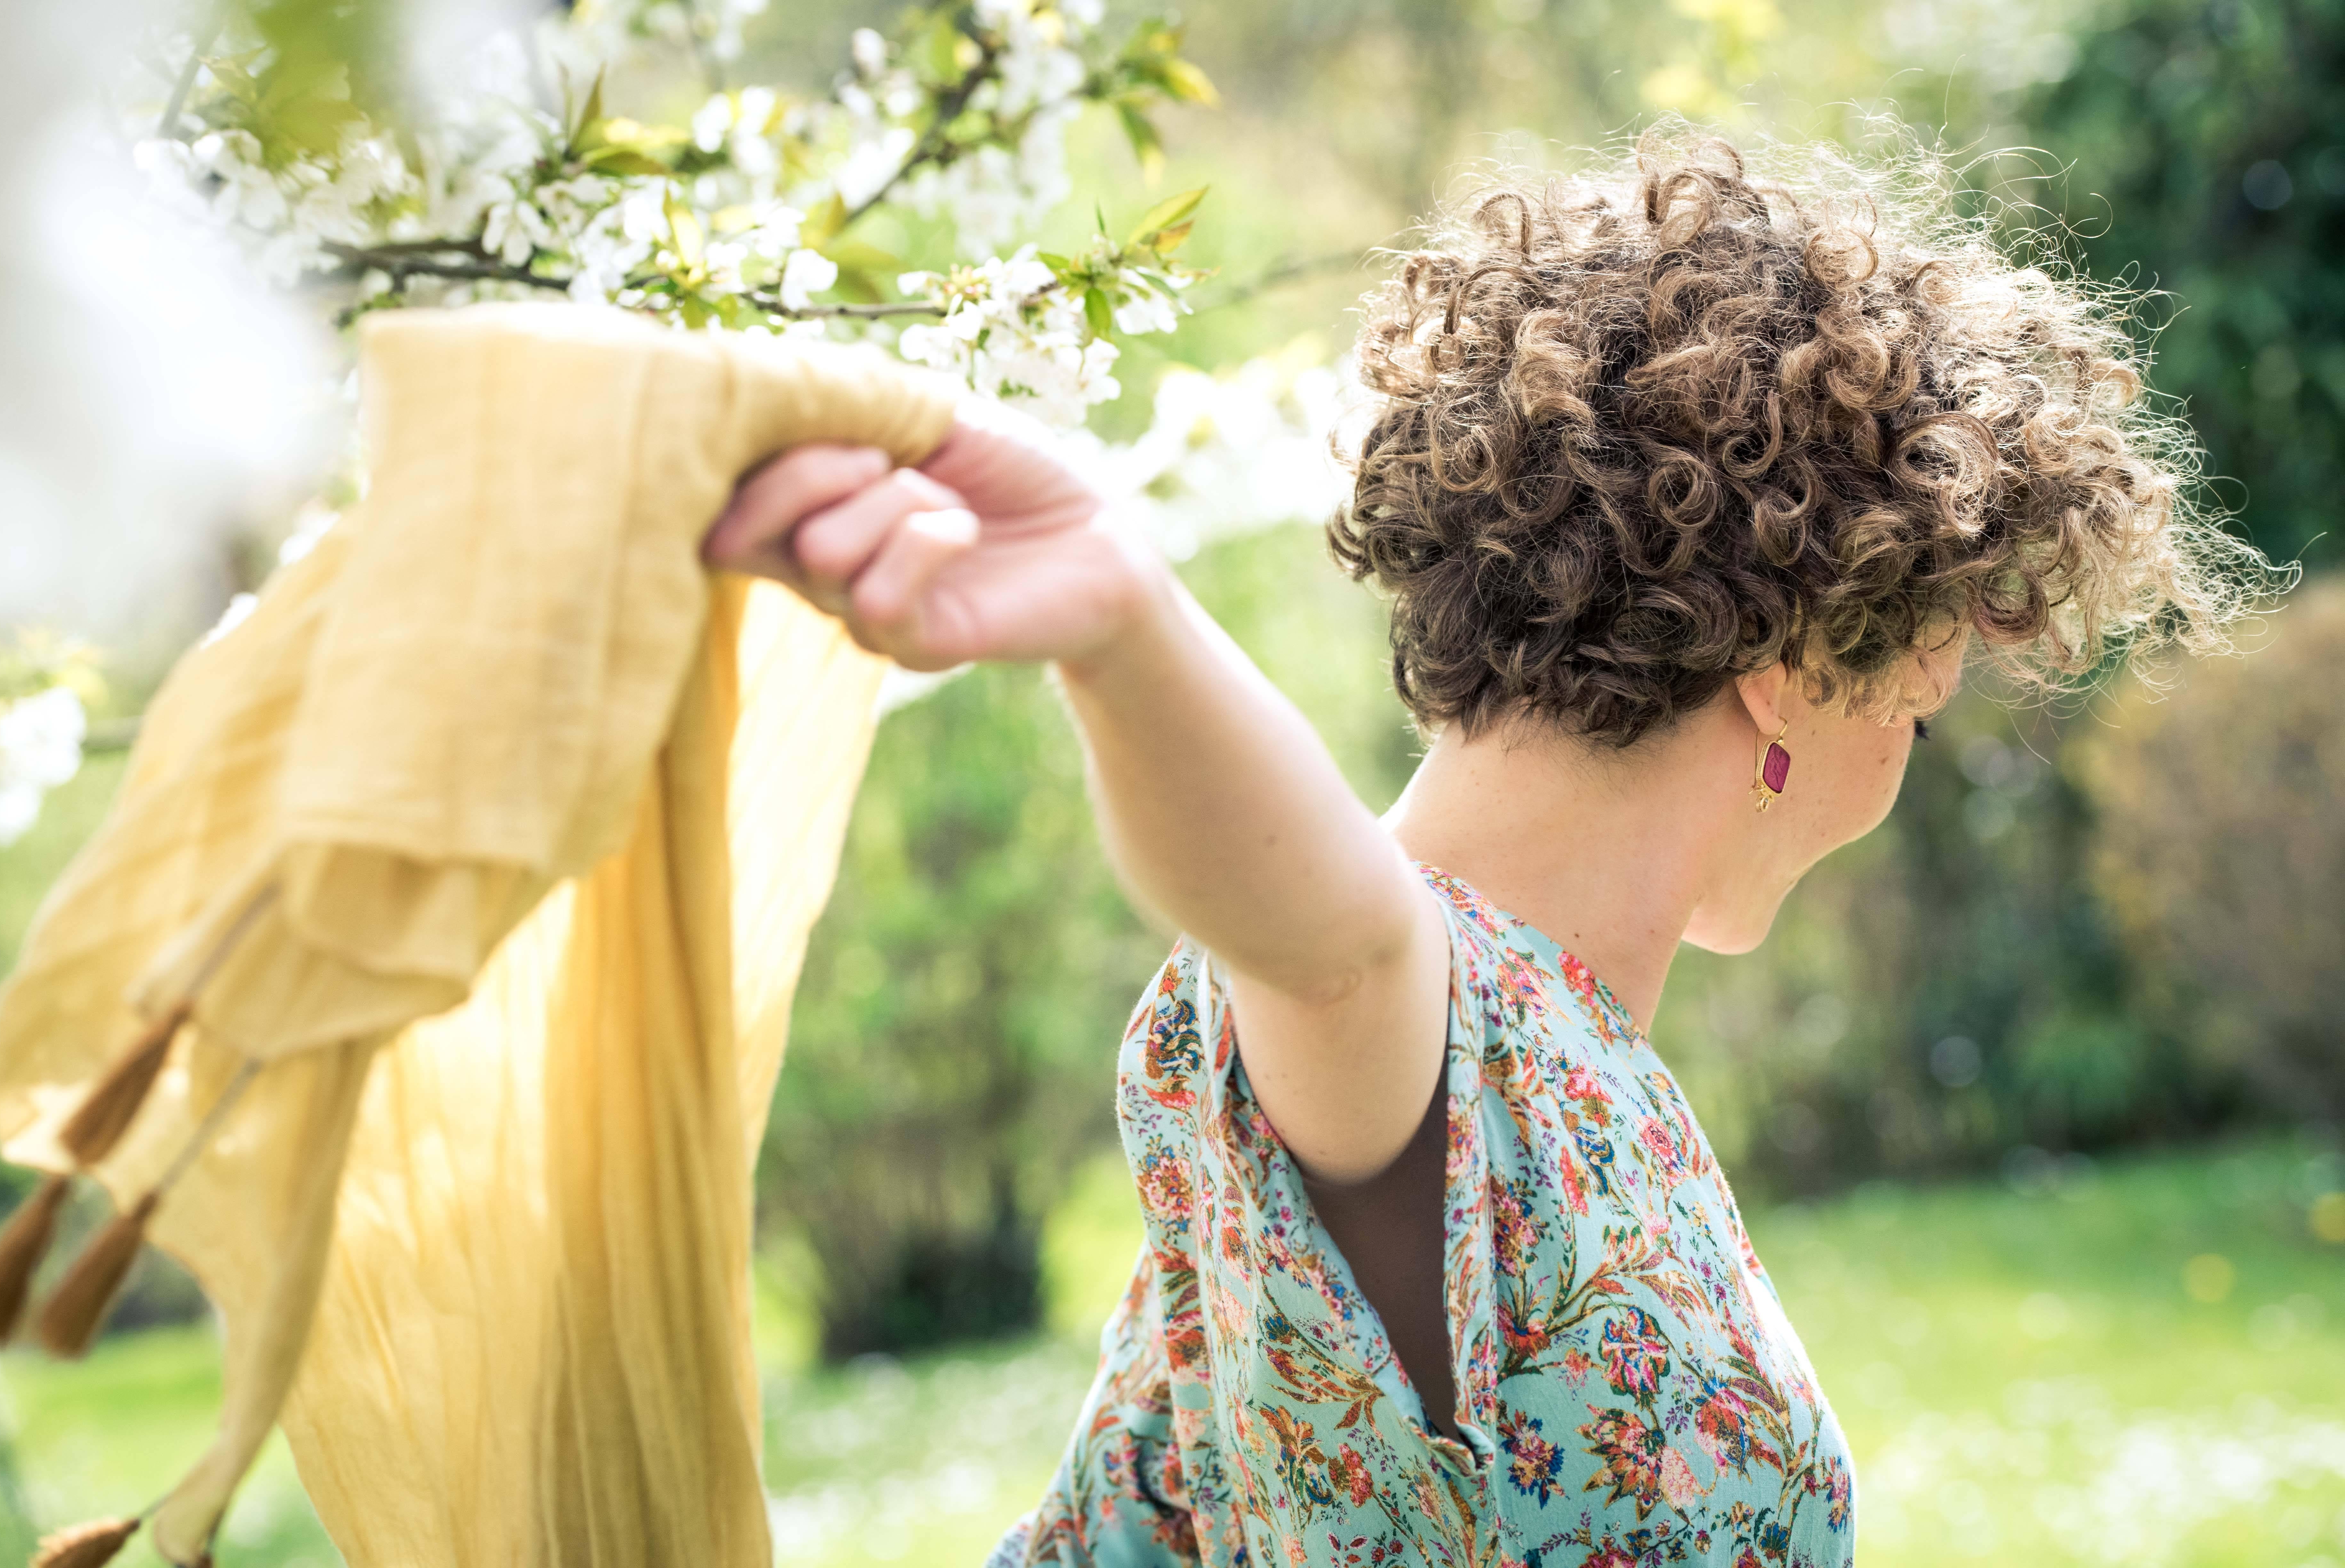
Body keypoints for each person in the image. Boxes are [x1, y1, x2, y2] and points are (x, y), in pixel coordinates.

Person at [702, 130, 2264, 1568]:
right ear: (1796, 667)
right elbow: (1326, 940)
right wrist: (1120, 620)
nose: (1896, 774)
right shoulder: (1442, 1021)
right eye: (1914, 716)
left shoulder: (1562, 1062)